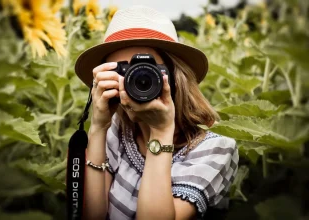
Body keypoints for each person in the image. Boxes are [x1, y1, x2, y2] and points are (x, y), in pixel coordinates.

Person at [74, 5, 239, 220]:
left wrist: (161, 131)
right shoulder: (118, 129)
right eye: (123, 71)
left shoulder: (216, 149)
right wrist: (98, 127)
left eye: (147, 69)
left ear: (175, 77)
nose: (136, 79)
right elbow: (92, 216)